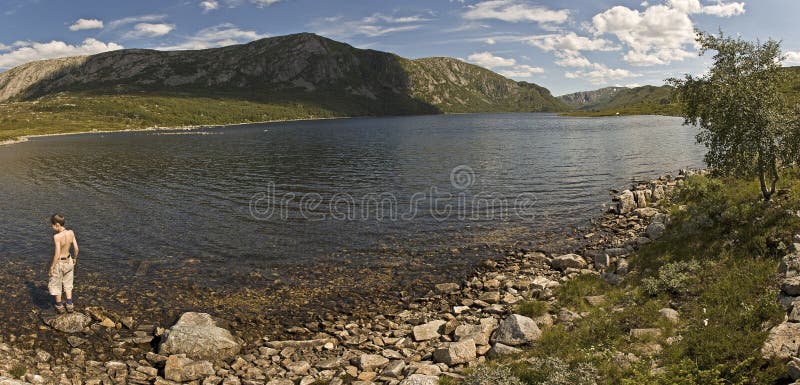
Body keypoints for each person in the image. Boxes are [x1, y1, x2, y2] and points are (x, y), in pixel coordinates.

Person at [48, 213, 79, 314]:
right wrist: (75, 258)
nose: (51, 227)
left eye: (52, 225)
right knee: (68, 282)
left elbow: (57, 254)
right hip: (69, 260)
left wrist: (52, 267)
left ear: (57, 225)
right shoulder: (71, 232)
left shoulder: (57, 237)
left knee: (56, 284)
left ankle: (59, 305)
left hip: (60, 263)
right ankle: (69, 304)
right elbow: (76, 248)